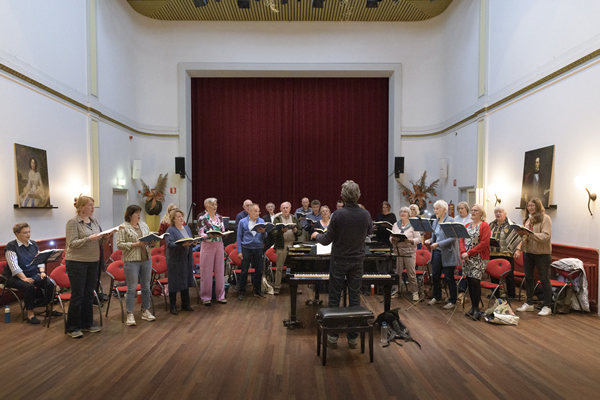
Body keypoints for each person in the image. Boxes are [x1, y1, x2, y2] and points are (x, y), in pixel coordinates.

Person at [312, 180, 373, 350]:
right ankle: (353, 338)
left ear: (343, 196)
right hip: (358, 261)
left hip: (339, 260)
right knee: (354, 298)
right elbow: (370, 232)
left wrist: (316, 235)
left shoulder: (338, 215)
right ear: (358, 195)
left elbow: (326, 240)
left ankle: (332, 335)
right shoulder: (365, 214)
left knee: (334, 297)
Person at [65, 196, 112, 338]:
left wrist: (106, 237)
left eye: (93, 205)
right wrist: (88, 239)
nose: (92, 208)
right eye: (90, 205)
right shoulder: (73, 222)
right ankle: (72, 327)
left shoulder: (94, 221)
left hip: (93, 261)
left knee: (89, 293)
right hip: (77, 262)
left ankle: (87, 323)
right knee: (78, 295)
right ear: (81, 207)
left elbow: (98, 241)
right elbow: (71, 243)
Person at [2, 223, 59, 324]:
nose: (28, 234)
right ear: (17, 234)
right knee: (29, 286)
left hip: (31, 273)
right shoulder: (11, 246)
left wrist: (42, 272)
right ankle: (30, 314)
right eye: (25, 233)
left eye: (29, 232)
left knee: (49, 283)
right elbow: (14, 266)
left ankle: (49, 309)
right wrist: (23, 278)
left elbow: (40, 260)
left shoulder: (33, 244)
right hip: (13, 277)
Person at [116, 205, 156, 326]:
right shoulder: (123, 227)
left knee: (145, 286)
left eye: (139, 213)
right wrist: (135, 245)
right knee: (132, 288)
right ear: (130, 215)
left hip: (146, 259)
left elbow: (148, 242)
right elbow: (119, 245)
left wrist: (152, 243)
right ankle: (130, 313)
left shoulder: (143, 225)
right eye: (136, 213)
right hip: (131, 260)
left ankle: (145, 310)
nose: (139, 215)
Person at [515, 198, 553, 316]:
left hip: (542, 253)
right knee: (528, 278)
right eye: (528, 206)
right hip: (528, 252)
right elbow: (525, 236)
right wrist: (520, 235)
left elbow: (545, 236)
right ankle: (529, 303)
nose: (530, 208)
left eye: (533, 206)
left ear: (538, 206)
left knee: (544, 279)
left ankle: (547, 306)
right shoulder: (527, 219)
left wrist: (529, 235)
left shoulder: (545, 218)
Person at [425, 200, 460, 309]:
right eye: (434, 209)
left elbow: (453, 238)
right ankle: (437, 296)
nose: (435, 211)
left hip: (448, 253)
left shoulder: (450, 220)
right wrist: (430, 240)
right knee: (435, 275)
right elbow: (436, 236)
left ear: (444, 210)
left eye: (438, 208)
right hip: (437, 252)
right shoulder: (435, 222)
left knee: (449, 277)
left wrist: (438, 243)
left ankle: (453, 300)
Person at [459, 204, 490, 320]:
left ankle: (477, 309)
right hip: (466, 257)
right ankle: (472, 307)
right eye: (472, 210)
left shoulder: (485, 225)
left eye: (475, 210)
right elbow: (461, 240)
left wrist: (469, 253)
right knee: (470, 282)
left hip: (479, 258)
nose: (472, 212)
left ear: (481, 213)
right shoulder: (467, 225)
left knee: (475, 282)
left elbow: (484, 243)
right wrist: (463, 252)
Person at [196, 198, 227, 306]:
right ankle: (205, 297)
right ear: (206, 206)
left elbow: (222, 230)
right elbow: (200, 233)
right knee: (206, 272)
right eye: (213, 204)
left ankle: (221, 295)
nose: (215, 206)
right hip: (207, 245)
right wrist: (209, 235)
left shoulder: (219, 218)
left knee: (220, 271)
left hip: (219, 244)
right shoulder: (202, 218)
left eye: (216, 204)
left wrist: (223, 234)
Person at [165, 208, 196, 314]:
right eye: (178, 217)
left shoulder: (187, 228)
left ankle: (185, 304)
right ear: (173, 219)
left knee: (185, 280)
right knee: (174, 282)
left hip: (186, 258)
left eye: (181, 216)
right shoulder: (170, 230)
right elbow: (169, 244)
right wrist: (181, 244)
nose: (181, 218)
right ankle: (172, 306)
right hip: (175, 259)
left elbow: (190, 239)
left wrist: (193, 243)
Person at [236, 203, 267, 301]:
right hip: (246, 248)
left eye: (259, 211)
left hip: (258, 248)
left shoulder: (261, 221)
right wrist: (239, 251)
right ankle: (242, 291)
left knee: (258, 270)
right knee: (244, 270)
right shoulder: (242, 222)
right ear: (249, 211)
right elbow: (239, 236)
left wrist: (263, 232)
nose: (257, 213)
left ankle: (258, 290)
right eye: (255, 211)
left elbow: (265, 236)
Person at [389, 207, 421, 301]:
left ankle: (414, 292)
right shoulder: (395, 224)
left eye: (405, 212)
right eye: (401, 211)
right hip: (398, 251)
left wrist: (411, 240)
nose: (402, 213)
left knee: (411, 273)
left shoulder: (413, 225)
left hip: (409, 251)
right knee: (397, 273)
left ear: (409, 214)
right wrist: (393, 239)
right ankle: (396, 290)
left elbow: (418, 239)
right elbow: (391, 236)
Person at [270, 202, 301, 295]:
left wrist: (296, 231)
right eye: (283, 208)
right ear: (280, 209)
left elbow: (300, 232)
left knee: (294, 267)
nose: (285, 209)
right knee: (279, 267)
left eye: (287, 207)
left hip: (292, 244)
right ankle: (277, 287)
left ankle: (295, 287)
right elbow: (273, 232)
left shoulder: (294, 218)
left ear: (290, 208)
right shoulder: (277, 219)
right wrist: (281, 231)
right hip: (281, 245)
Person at [488, 205, 519, 299]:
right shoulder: (491, 225)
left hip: (507, 254)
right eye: (496, 212)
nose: (498, 214)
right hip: (493, 253)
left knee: (509, 276)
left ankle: (511, 295)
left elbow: (518, 238)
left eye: (500, 212)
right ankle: (495, 293)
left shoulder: (511, 224)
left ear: (505, 213)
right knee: (493, 275)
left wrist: (517, 250)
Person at [454, 201, 471, 300]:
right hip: (457, 244)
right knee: (458, 267)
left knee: (464, 267)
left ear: (466, 209)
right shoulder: (456, 219)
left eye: (462, 208)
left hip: (466, 245)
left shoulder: (470, 218)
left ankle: (463, 290)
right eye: (459, 209)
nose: (460, 210)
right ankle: (459, 290)